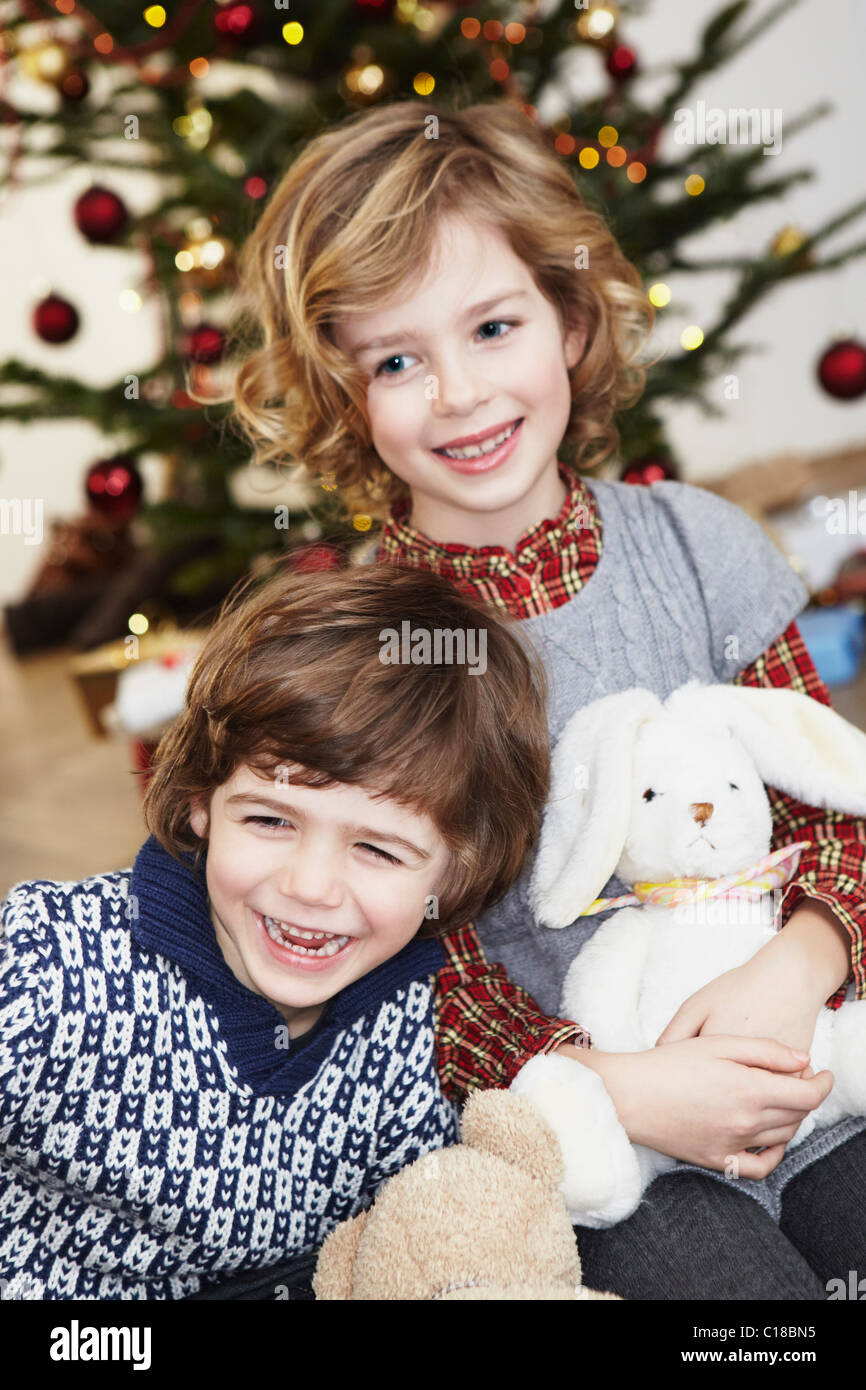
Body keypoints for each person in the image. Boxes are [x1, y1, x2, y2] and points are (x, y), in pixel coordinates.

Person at [226, 98, 866, 1300]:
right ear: (343, 391)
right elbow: (397, 960)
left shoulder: (698, 547)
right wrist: (611, 1084)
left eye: (493, 326)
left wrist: (796, 965)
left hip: (812, 1062)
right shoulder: (372, 648)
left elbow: (836, 800)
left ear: (569, 320)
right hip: (598, 1150)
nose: (458, 393)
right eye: (398, 360)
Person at [0, 564, 593, 1301]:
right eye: (270, 820)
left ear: (456, 872)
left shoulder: (426, 1026)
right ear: (199, 803)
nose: (310, 888)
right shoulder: (51, 965)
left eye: (376, 849)